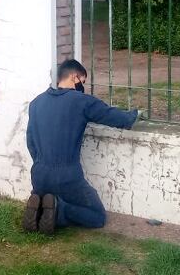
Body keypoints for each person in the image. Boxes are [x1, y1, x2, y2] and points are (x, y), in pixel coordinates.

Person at [23, 59, 139, 234]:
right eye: (82, 81)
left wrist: (41, 163)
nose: (82, 86)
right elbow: (117, 118)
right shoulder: (82, 101)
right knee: (97, 216)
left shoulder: (36, 103)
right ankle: (59, 210)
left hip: (39, 174)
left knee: (47, 192)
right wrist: (134, 115)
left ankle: (41, 206)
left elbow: (30, 142)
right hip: (68, 176)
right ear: (74, 76)